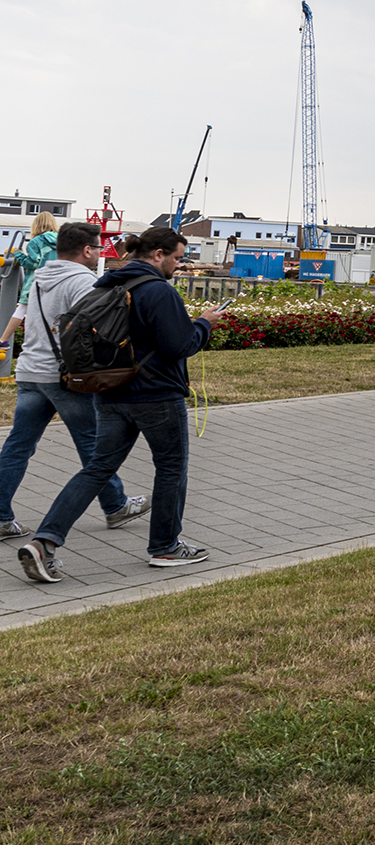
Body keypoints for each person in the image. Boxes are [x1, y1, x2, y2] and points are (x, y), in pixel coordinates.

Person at [17, 225, 223, 583]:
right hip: (157, 394)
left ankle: (44, 542)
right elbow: (179, 345)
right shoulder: (158, 290)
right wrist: (204, 324)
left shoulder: (106, 284)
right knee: (171, 467)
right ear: (157, 255)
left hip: (110, 392)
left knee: (97, 468)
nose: (178, 265)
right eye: (176, 258)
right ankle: (166, 547)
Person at [1, 222, 149, 547]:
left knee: (18, 446)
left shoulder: (41, 276)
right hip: (63, 377)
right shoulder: (82, 280)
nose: (99, 253)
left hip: (30, 371)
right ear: (86, 250)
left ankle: (0, 517)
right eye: (98, 248)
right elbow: (98, 326)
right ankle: (116, 506)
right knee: (94, 445)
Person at [5, 211, 60, 354]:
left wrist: (17, 253)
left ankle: (3, 340)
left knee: (22, 309)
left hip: (37, 282)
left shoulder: (36, 241)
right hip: (56, 282)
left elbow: (32, 263)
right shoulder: (62, 241)